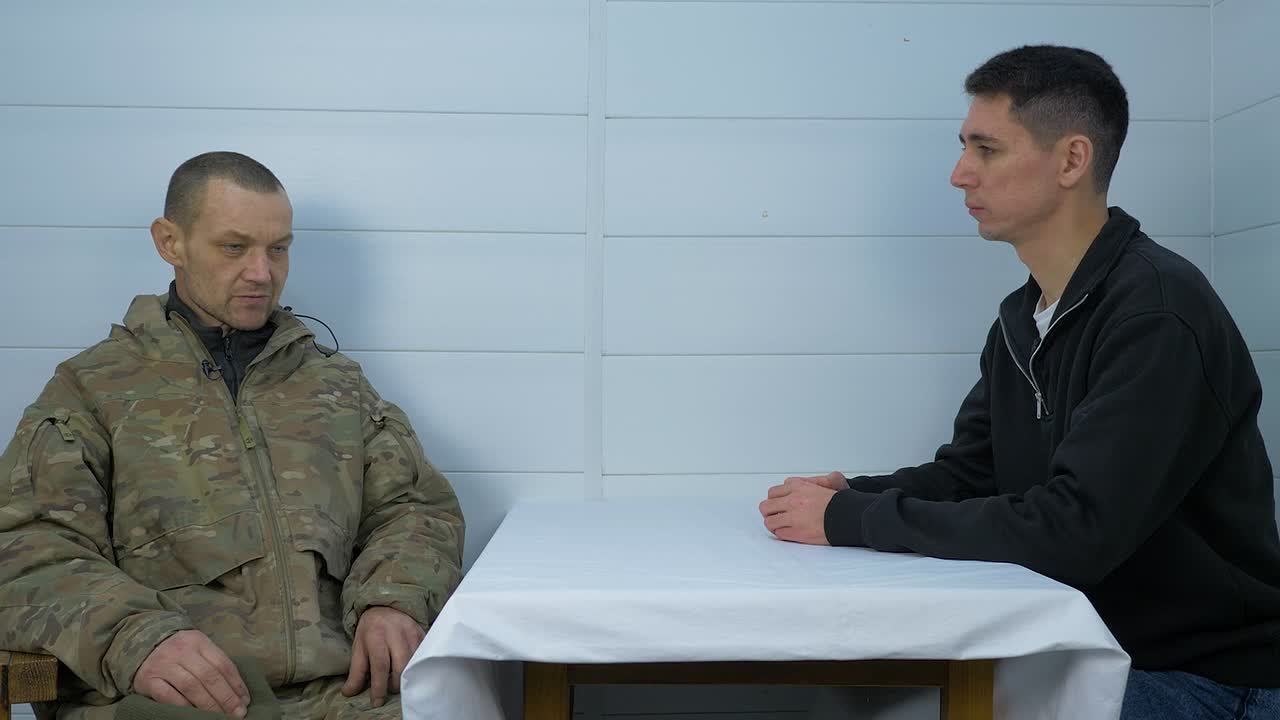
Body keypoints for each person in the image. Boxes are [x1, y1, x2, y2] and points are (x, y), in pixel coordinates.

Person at [759, 45, 1280, 718]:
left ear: (1071, 160)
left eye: (987, 149)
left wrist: (849, 520)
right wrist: (854, 493)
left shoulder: (1156, 313)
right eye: (964, 148)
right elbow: (973, 474)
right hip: (1088, 646)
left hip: (1204, 679)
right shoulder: (1025, 317)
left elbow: (1075, 532)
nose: (959, 174)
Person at [0, 151, 464, 719]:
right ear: (170, 242)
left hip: (345, 694)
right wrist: (135, 636)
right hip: (173, 702)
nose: (262, 273)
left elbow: (415, 508)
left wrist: (394, 597)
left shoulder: (336, 385)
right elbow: (25, 547)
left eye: (278, 249)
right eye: (234, 247)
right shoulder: (93, 389)